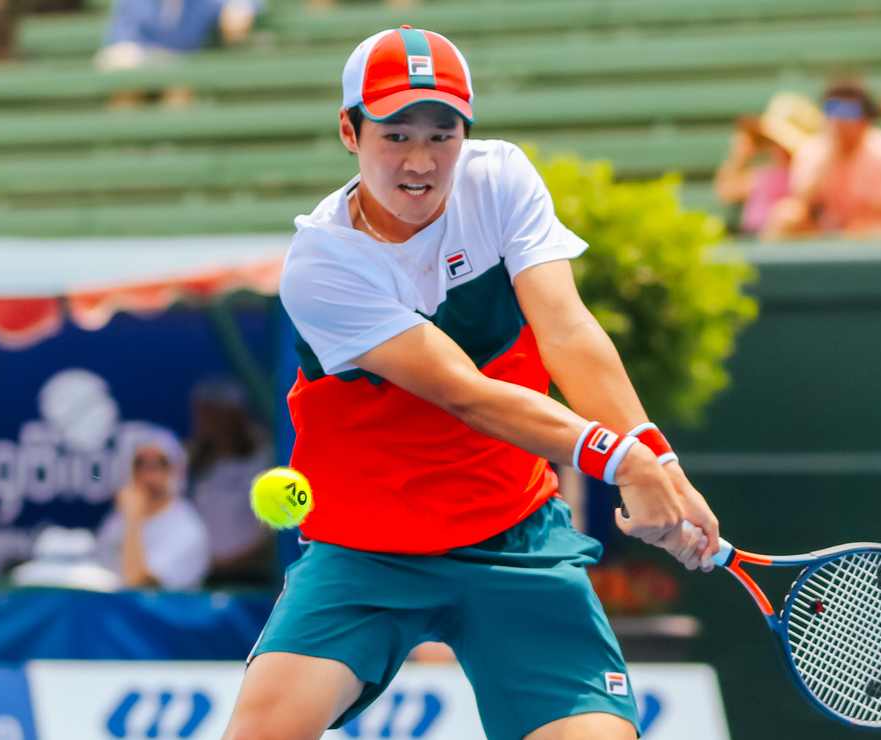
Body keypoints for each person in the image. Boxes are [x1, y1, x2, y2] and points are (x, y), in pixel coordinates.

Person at [223, 27, 720, 740]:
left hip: (513, 535)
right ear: (349, 131)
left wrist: (659, 461)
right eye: (395, 135)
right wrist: (625, 462)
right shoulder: (322, 263)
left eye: (442, 134)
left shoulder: (501, 180)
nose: (420, 161)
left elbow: (567, 330)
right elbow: (463, 392)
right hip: (365, 549)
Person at [773, 80, 881, 239]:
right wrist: (829, 157)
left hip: (877, 237)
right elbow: (801, 202)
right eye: (833, 110)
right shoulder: (814, 151)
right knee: (786, 213)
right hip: (826, 235)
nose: (840, 120)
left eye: (849, 112)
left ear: (865, 119)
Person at [96, 424, 211, 589]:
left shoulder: (187, 529)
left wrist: (133, 520)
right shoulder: (119, 517)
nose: (148, 475)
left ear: (177, 472)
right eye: (140, 464)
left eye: (159, 465)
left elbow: (137, 585)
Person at [186, 379, 274, 585]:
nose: (205, 420)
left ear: (234, 415)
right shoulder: (194, 461)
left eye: (213, 412)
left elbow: (273, 533)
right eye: (201, 412)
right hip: (203, 577)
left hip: (250, 580)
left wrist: (232, 563)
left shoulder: (266, 459)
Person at [96, 0, 260, 106]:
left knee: (180, 83)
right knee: (127, 80)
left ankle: (169, 147)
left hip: (181, 71)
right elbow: (123, 47)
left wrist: (240, 9)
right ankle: (126, 146)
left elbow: (239, 10)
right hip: (140, 69)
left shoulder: (203, 3)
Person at [714, 92, 824, 236]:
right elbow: (726, 190)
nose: (778, 149)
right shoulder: (764, 176)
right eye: (773, 142)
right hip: (755, 241)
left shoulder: (809, 179)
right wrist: (740, 155)